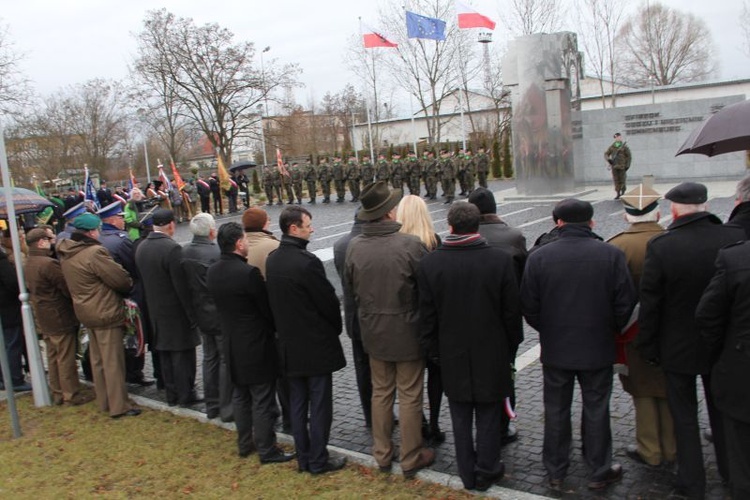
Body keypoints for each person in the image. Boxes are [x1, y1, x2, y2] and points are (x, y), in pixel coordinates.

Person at [636, 182, 744, 498]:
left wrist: (648, 346)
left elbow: (651, 304)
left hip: (677, 345)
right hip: (722, 343)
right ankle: (729, 470)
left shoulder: (662, 246)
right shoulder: (732, 237)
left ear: (673, 210)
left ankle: (692, 480)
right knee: (723, 410)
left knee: (684, 416)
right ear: (705, 206)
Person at [520, 198, 636, 492]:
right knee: (597, 408)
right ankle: (599, 470)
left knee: (556, 409)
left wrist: (549, 329)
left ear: (557, 223)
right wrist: (609, 330)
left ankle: (556, 471)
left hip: (557, 347)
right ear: (591, 222)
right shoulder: (610, 254)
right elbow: (625, 303)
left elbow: (529, 306)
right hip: (598, 346)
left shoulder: (539, 257)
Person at [418, 203, 522, 491]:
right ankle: (487, 468)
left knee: (460, 415)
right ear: (477, 226)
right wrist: (510, 347)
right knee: (489, 413)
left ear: (450, 227)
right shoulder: (500, 261)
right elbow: (512, 313)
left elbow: (426, 317)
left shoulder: (430, 264)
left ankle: (467, 472)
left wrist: (434, 352)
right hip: (492, 351)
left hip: (451, 353)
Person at [345, 182, 435, 479]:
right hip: (407, 332)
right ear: (388, 212)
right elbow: (426, 293)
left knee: (381, 392)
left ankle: (382, 453)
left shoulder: (355, 247)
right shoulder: (410, 245)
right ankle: (410, 457)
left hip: (373, 331)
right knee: (410, 395)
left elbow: (351, 292)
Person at [265, 206, 347, 474]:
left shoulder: (274, 258)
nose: (311, 229)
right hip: (314, 346)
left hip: (289, 346)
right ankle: (319, 459)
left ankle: (304, 458)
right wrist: (334, 327)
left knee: (298, 405)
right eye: (307, 224)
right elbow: (328, 302)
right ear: (293, 228)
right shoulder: (307, 262)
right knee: (320, 405)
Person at [208, 222, 294, 463]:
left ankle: (245, 443)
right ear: (238, 243)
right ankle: (267, 449)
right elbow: (265, 310)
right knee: (263, 399)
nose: (247, 243)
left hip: (231, 342)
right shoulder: (248, 274)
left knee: (240, 397)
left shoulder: (213, 271)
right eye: (245, 240)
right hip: (255, 344)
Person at [607, 185, 676, 468]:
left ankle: (650, 449)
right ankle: (672, 447)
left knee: (642, 388)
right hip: (673, 331)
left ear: (626, 216)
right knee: (670, 386)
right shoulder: (672, 240)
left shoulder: (616, 246)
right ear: (658, 213)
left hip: (633, 331)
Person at [57, 213, 140, 418]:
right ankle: (119, 405)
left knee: (98, 360)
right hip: (104, 311)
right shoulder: (94, 252)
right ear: (92, 232)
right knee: (113, 361)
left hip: (86, 311)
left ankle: (104, 400)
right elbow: (119, 279)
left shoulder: (67, 252)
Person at [468, 187, 527, 444]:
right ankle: (503, 425)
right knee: (506, 374)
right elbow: (525, 279)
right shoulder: (514, 236)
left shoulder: (465, 236)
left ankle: (480, 423)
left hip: (471, 319)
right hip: (504, 319)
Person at [696, 239, 750, 500]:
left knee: (741, 451)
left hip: (742, 366)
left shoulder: (735, 258)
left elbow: (708, 314)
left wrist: (724, 351)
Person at [135, 209, 201, 407]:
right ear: (171, 225)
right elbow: (181, 286)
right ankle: (185, 394)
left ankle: (171, 393)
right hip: (175, 313)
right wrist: (192, 315)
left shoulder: (142, 247)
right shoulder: (172, 249)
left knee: (165, 354)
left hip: (155, 310)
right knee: (183, 356)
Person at [24, 227, 93, 405]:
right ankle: (71, 394)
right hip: (58, 315)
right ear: (41, 242)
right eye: (48, 238)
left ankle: (57, 392)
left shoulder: (29, 262)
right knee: (65, 357)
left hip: (44, 316)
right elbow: (65, 287)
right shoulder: (47, 263)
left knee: (53, 356)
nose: (51, 241)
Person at [395, 194, 443, 444]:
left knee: (410, 382)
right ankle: (434, 422)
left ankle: (420, 421)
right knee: (436, 376)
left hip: (406, 322)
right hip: (432, 322)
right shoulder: (434, 242)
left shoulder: (396, 244)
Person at [242, 207, 291, 432]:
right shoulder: (273, 247)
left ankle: (266, 411)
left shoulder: (239, 247)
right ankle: (290, 415)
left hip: (249, 323)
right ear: (263, 224)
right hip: (274, 319)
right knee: (282, 373)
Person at [182, 213, 233, 422]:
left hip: (200, 312)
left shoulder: (184, 252)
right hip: (219, 313)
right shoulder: (217, 252)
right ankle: (227, 407)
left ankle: (212, 406)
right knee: (224, 360)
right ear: (212, 230)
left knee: (209, 358)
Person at [97, 202, 153, 387]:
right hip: (130, 293)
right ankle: (135, 372)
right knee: (136, 333)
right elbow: (134, 267)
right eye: (120, 218)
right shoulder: (121, 241)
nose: (123, 221)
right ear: (112, 220)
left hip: (107, 296)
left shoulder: (100, 239)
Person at [333, 209, 371, 428]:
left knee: (362, 370)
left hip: (354, 318)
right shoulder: (369, 243)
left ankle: (369, 415)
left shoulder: (340, 245)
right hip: (375, 318)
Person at [0, 235, 29, 392]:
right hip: (7, 308)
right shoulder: (2, 259)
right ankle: (15, 379)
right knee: (12, 344)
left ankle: (3, 378)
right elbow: (12, 282)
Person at [604, 132, 632, 199]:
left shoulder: (624, 147)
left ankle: (623, 192)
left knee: (623, 180)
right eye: (616, 137)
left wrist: (627, 165)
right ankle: (618, 193)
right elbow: (606, 154)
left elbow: (629, 157)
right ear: (615, 138)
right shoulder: (612, 147)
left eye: (619, 137)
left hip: (622, 166)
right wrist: (609, 160)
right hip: (614, 166)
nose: (618, 138)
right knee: (616, 180)